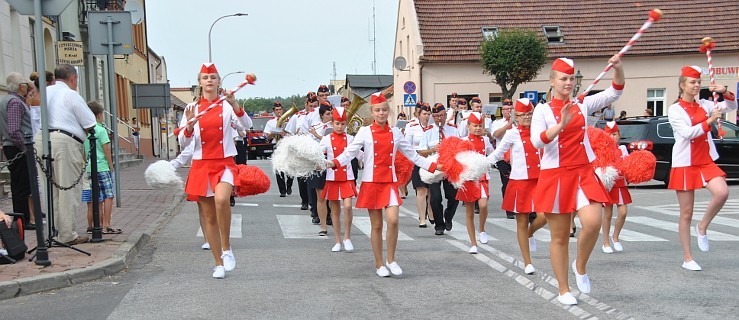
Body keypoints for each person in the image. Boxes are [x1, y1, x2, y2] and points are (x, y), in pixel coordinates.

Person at [530, 56, 625, 305]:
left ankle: (579, 265)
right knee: (560, 236)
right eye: (563, 78)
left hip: (583, 172)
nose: (569, 83)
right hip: (556, 175)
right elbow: (537, 141)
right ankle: (563, 289)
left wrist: (618, 68)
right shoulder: (541, 110)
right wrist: (561, 123)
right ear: (552, 81)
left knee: (592, 223)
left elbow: (614, 92)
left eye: (572, 78)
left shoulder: (582, 104)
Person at [328, 92, 439, 277]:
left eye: (384, 110)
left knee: (394, 220)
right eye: (378, 110)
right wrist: (333, 162)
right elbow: (350, 152)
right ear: (372, 112)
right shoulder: (364, 132)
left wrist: (435, 166)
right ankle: (379, 263)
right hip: (371, 183)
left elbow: (413, 155)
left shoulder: (396, 132)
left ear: (389, 112)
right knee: (377, 225)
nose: (381, 113)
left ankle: (391, 259)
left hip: (389, 182)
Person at [178, 63, 252, 278]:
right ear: (200, 82)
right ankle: (218, 262)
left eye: (213, 77)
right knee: (209, 217)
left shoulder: (226, 106)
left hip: (225, 163)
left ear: (219, 81)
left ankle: (227, 248)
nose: (209, 80)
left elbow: (246, 124)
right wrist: (190, 127)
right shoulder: (191, 108)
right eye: (205, 77)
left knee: (222, 200)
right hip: (202, 164)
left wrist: (235, 103)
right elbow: (183, 142)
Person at [667, 65, 736, 271]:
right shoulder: (674, 109)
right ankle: (688, 258)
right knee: (686, 213)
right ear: (682, 85)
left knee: (722, 192)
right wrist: (710, 121)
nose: (696, 86)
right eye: (692, 82)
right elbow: (688, 133)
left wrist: (724, 92)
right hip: (685, 163)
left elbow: (731, 106)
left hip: (705, 160)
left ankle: (703, 226)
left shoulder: (706, 104)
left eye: (698, 82)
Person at [35, 64, 96, 245]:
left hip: (42, 139)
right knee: (67, 189)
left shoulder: (45, 92)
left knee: (50, 189)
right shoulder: (71, 94)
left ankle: (52, 233)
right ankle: (67, 234)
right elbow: (90, 122)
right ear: (73, 78)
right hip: (65, 141)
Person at [488, 98, 547, 274]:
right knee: (521, 221)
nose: (527, 118)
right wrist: (480, 164)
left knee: (545, 216)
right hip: (520, 181)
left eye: (529, 114)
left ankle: (529, 234)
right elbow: (498, 153)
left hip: (540, 180)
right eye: (523, 115)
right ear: (516, 117)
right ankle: (527, 262)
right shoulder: (512, 133)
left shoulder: (540, 131)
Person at [320, 106, 361, 251]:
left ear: (346, 124)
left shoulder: (351, 139)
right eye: (337, 123)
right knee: (335, 210)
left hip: (347, 177)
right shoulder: (325, 139)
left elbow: (359, 154)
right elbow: (319, 154)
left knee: (348, 206)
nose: (339, 126)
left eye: (342, 123)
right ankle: (337, 241)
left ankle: (347, 237)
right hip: (332, 177)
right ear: (332, 123)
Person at [1, 72, 36, 230]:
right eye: (26, 84)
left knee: (20, 185)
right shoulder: (15, 102)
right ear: (21, 87)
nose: (28, 87)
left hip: (12, 146)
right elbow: (14, 130)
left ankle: (22, 219)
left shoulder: (5, 100)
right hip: (18, 148)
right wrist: (26, 149)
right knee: (22, 186)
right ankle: (23, 220)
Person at [454, 112, 493, 254]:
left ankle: (482, 229)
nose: (478, 128)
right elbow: (458, 158)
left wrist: (489, 163)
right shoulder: (463, 141)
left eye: (480, 126)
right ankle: (473, 243)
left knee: (483, 204)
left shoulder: (485, 140)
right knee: (469, 210)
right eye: (475, 125)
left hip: (482, 177)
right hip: (468, 178)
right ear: (468, 126)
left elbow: (492, 154)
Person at [418, 103, 459, 235]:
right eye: (435, 116)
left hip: (450, 166)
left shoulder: (453, 129)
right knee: (435, 197)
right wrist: (432, 149)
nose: (438, 119)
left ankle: (448, 216)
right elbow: (420, 152)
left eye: (441, 116)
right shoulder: (428, 131)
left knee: (453, 196)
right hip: (434, 168)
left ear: (446, 115)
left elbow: (460, 147)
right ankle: (439, 225)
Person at [82, 101, 119, 234]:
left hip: (90, 168)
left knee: (96, 197)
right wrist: (110, 165)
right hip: (102, 166)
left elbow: (84, 151)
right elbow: (106, 149)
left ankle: (96, 224)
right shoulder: (101, 130)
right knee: (108, 196)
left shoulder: (85, 130)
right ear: (98, 115)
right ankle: (106, 224)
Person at [600, 121, 631, 254]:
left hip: (621, 184)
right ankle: (605, 242)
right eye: (609, 134)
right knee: (607, 214)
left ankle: (615, 237)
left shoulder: (623, 149)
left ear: (618, 135)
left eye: (614, 134)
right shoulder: (602, 150)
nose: (612, 137)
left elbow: (629, 164)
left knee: (623, 212)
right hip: (609, 185)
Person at [404, 103, 434, 227]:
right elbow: (407, 145)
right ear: (418, 114)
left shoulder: (433, 127)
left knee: (431, 190)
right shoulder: (412, 127)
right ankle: (422, 218)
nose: (426, 116)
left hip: (431, 160)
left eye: (428, 114)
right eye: (424, 114)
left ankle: (430, 211)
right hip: (418, 160)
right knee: (421, 190)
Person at [286, 92, 317, 212]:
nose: (313, 108)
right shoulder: (297, 116)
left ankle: (312, 201)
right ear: (306, 104)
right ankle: (304, 200)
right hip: (300, 150)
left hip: (313, 149)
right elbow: (289, 132)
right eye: (311, 106)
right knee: (302, 178)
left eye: (315, 105)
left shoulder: (318, 115)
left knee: (313, 178)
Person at [309, 101, 334, 235]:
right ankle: (323, 226)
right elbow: (311, 147)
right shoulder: (316, 126)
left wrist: (318, 136)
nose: (330, 116)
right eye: (328, 114)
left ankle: (334, 221)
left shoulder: (337, 126)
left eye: (331, 113)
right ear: (321, 115)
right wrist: (313, 134)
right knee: (321, 196)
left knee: (333, 197)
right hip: (319, 163)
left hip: (332, 163)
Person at [491, 99, 515, 219]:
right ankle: (509, 209)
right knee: (506, 184)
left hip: (516, 157)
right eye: (507, 109)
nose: (509, 111)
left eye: (511, 108)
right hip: (502, 158)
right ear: (502, 111)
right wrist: (508, 125)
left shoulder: (518, 122)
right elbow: (496, 135)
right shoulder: (497, 122)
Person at [264, 101, 293, 197]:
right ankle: (282, 190)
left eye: (280, 109)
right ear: (274, 111)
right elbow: (267, 138)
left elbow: (292, 133)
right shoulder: (270, 122)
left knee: (289, 167)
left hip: (287, 145)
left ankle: (289, 185)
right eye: (276, 110)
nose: (278, 111)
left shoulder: (288, 120)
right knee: (278, 168)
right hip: (276, 145)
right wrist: (274, 132)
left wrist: (284, 133)